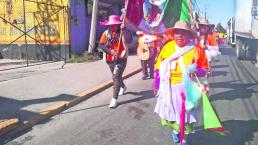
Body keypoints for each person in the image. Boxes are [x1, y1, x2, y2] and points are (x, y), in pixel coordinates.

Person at [153, 21, 209, 145]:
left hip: (188, 88)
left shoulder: (197, 50)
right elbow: (158, 67)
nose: (179, 35)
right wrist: (156, 84)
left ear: (189, 35)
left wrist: (196, 70)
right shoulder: (167, 47)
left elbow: (205, 69)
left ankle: (184, 140)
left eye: (183, 33)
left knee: (187, 117)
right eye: (176, 33)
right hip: (169, 87)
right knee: (171, 113)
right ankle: (177, 131)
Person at [99, 15, 129, 108]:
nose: (113, 27)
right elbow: (101, 45)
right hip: (110, 60)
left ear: (118, 24)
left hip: (121, 59)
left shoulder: (123, 32)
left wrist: (125, 30)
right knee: (117, 76)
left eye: (115, 25)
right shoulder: (106, 33)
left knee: (115, 77)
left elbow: (129, 39)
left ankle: (114, 99)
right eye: (111, 25)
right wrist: (110, 51)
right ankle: (123, 87)